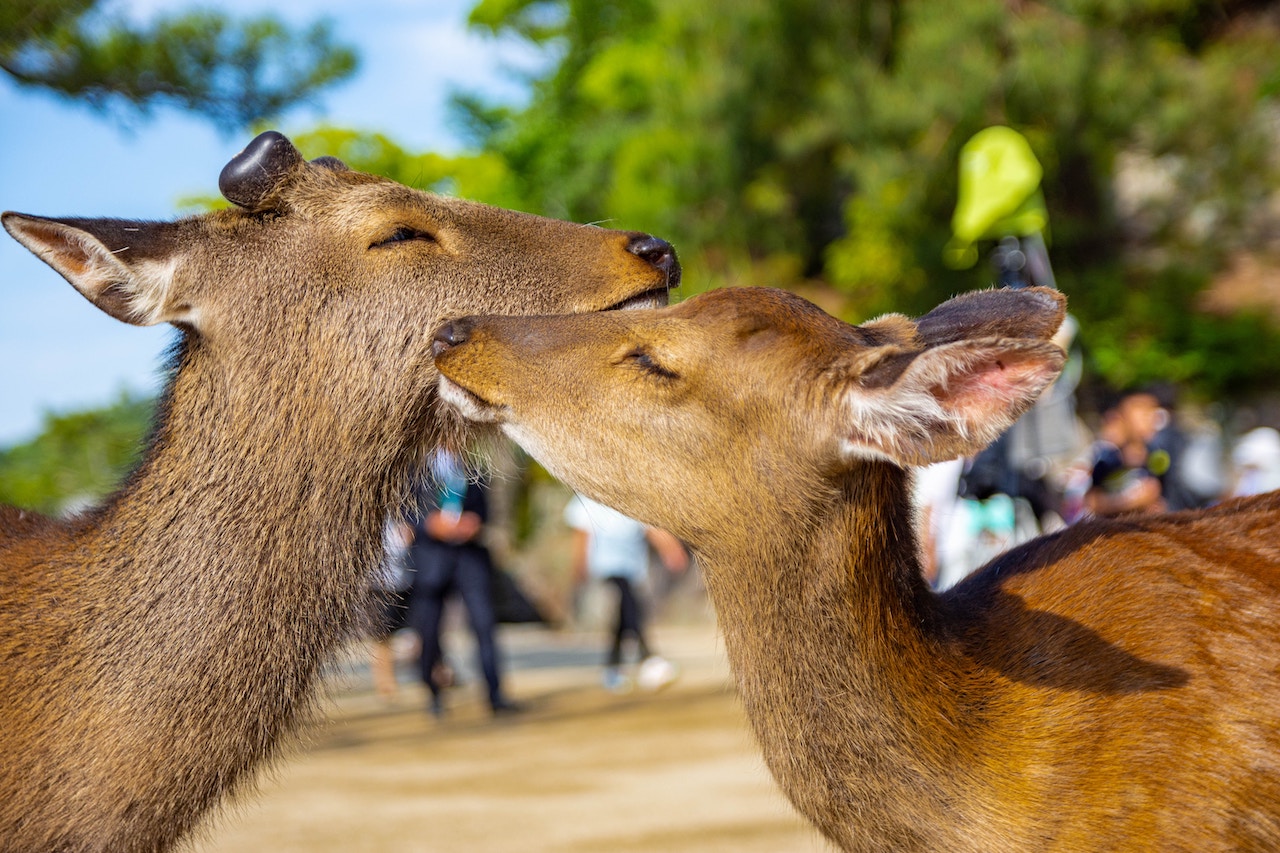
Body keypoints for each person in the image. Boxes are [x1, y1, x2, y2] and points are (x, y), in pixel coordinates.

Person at [408, 450, 520, 717]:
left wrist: (475, 523)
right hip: (432, 559)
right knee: (429, 629)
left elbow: (488, 509)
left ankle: (495, 694)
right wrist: (429, 525)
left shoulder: (475, 467)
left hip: (470, 557)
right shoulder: (416, 469)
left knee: (484, 624)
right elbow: (407, 512)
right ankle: (433, 694)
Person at [565, 494, 688, 693]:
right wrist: (580, 568)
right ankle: (649, 658)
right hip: (606, 567)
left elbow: (651, 528)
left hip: (632, 569)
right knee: (629, 605)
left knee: (623, 618)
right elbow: (581, 535)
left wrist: (672, 550)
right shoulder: (587, 499)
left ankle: (613, 670)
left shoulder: (630, 496)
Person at [1084, 390, 1165, 517]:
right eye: (1139, 409)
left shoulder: (1162, 454)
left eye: (1151, 409)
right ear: (1121, 416)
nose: (1147, 417)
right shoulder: (1107, 460)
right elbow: (1092, 502)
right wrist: (1131, 500)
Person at [368, 515, 416, 702]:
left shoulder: (404, 517)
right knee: (381, 637)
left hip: (402, 584)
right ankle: (385, 682)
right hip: (379, 587)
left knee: (402, 634)